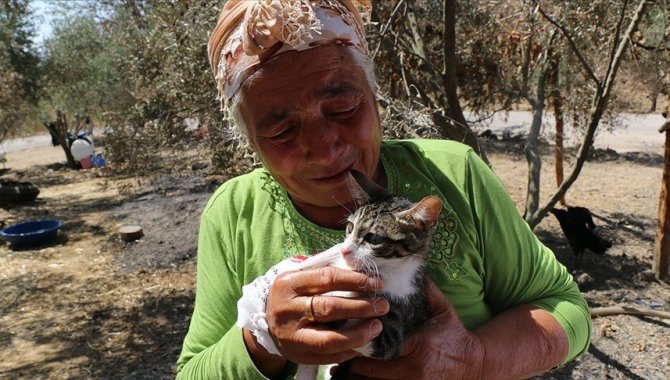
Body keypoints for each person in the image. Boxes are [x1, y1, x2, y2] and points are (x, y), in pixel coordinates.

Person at [176, 1, 591, 379]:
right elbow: (193, 372)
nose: (325, 149)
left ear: (374, 95)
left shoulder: (455, 174)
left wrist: (475, 359)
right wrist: (260, 338)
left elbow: (568, 311)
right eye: (282, 130)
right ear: (250, 142)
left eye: (343, 108)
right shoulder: (232, 214)